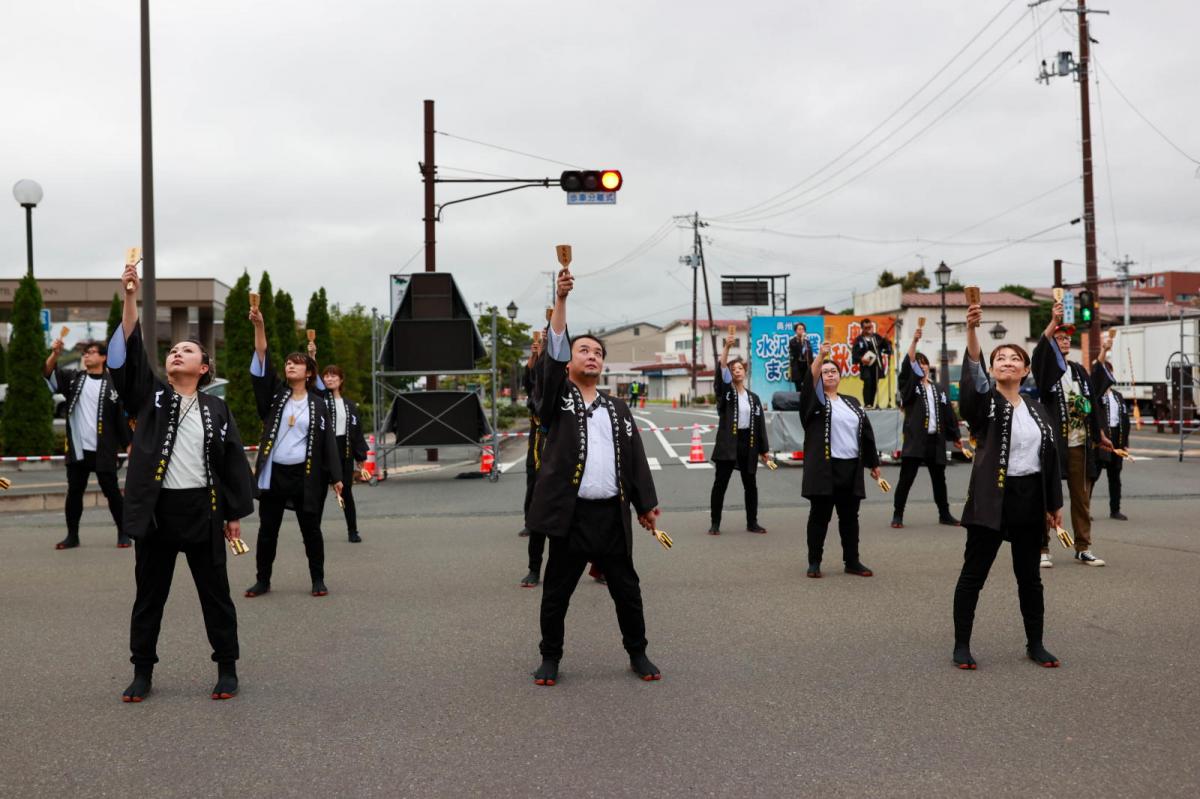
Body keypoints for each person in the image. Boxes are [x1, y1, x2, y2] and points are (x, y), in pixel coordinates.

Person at [109, 262, 255, 702]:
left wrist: (232, 514)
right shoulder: (150, 397)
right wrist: (131, 296)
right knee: (149, 596)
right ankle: (142, 671)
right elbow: (132, 356)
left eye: (188, 350)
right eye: (173, 350)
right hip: (158, 513)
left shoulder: (216, 410)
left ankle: (226, 667)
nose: (177, 353)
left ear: (205, 368)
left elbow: (232, 463)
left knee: (216, 595)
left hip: (204, 511)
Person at [526, 266, 662, 687]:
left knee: (628, 591)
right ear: (570, 362)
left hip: (611, 517)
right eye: (583, 350)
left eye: (597, 353)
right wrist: (561, 300)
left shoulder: (618, 408)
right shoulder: (556, 399)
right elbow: (550, 359)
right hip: (570, 517)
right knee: (556, 594)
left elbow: (636, 458)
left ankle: (637, 652)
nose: (591, 356)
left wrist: (646, 505)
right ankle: (550, 658)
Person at [952, 299, 1063, 670]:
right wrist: (972, 332)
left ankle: (1036, 643)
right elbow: (973, 382)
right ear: (992, 368)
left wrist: (1054, 504)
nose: (1008, 363)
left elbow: (1050, 456)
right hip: (991, 499)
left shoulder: (1036, 408)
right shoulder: (985, 405)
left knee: (1030, 579)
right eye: (1000, 359)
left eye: (1015, 359)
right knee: (973, 575)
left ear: (1025, 369)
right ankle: (962, 645)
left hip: (1030, 499)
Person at [244, 306, 342, 598]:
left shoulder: (318, 403)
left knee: (310, 529)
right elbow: (263, 361)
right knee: (267, 530)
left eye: (297, 364)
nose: (290, 366)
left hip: (306, 475)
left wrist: (336, 477)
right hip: (276, 474)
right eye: (288, 363)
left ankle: (318, 579)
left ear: (309, 372)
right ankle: (263, 580)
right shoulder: (276, 395)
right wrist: (259, 326)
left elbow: (327, 444)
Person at [1030, 303, 1111, 568]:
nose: (1064, 341)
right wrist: (1053, 322)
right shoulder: (1047, 371)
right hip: (1054, 443)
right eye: (1059, 337)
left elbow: (1093, 403)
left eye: (1067, 338)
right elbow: (1039, 353)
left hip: (1079, 442)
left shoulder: (1078, 370)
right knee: (1047, 496)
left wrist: (1100, 434)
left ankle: (1083, 546)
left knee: (1081, 497)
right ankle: (1042, 547)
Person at [800, 342, 881, 579]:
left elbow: (866, 433)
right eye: (825, 372)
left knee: (849, 518)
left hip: (850, 467)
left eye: (833, 371)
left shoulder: (852, 403)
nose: (830, 374)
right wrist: (821, 357)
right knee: (819, 516)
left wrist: (873, 464)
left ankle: (852, 561)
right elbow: (809, 379)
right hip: (824, 468)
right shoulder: (814, 401)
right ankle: (814, 562)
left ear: (840, 376)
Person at [43, 336, 131, 549]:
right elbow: (47, 372)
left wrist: (129, 444)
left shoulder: (113, 385)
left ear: (103, 358)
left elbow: (121, 420)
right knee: (74, 492)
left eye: (91, 352)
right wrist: (55, 354)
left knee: (111, 492)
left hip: (103, 449)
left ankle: (123, 533)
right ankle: (72, 535)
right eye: (85, 353)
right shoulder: (74, 378)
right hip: (78, 449)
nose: (86, 355)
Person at [890, 326, 963, 528]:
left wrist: (955, 435)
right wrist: (914, 341)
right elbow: (907, 366)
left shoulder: (938, 388)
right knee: (906, 478)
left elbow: (948, 413)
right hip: (915, 440)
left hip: (935, 440)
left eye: (924, 364)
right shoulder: (910, 387)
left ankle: (944, 514)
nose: (921, 367)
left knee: (939, 479)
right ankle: (898, 514)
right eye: (918, 364)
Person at [709, 333, 771, 535]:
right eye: (734, 369)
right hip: (729, 442)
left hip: (748, 442)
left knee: (750, 484)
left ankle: (752, 522)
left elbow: (760, 424)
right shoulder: (727, 393)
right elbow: (721, 370)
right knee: (721, 483)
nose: (737, 371)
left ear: (745, 372)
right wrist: (726, 348)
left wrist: (764, 450)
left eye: (740, 368)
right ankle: (715, 522)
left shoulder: (753, 398)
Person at [319, 365, 369, 543]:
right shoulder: (319, 400)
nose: (329, 379)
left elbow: (357, 432)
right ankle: (313, 532)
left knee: (346, 491)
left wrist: (361, 457)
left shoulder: (349, 405)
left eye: (333, 376)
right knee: (318, 493)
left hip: (344, 449)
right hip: (323, 452)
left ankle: (352, 530)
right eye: (326, 376)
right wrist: (312, 355)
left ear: (341, 380)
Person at [1090, 334, 1130, 521]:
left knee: (1116, 477)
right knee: (1093, 476)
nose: (1108, 376)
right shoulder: (1096, 394)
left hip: (1117, 438)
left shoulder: (1118, 396)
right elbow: (1097, 369)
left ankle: (1115, 509)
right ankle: (1085, 510)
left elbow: (1125, 421)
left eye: (1109, 373)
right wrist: (1104, 350)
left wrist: (1125, 443)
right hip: (1101, 438)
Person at [851, 318, 892, 409]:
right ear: (862, 328)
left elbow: (886, 347)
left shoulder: (876, 337)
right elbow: (854, 354)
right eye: (866, 328)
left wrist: (886, 340)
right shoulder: (859, 340)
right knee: (868, 382)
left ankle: (872, 404)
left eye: (870, 327)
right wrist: (861, 359)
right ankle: (867, 404)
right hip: (866, 366)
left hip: (876, 365)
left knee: (874, 384)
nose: (869, 329)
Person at [788, 322, 813, 393]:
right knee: (798, 387)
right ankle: (799, 402)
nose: (801, 330)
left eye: (802, 329)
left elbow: (810, 354)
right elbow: (797, 350)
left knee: (807, 386)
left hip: (806, 366)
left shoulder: (807, 342)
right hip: (797, 366)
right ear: (795, 331)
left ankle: (806, 401)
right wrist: (801, 341)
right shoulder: (792, 341)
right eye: (799, 329)